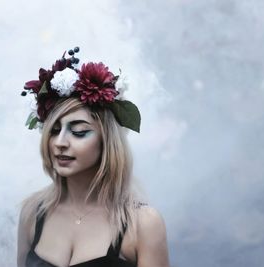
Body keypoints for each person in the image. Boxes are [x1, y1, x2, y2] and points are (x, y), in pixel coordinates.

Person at [17, 47, 169, 267]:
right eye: (54, 130)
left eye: (78, 132)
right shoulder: (32, 213)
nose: (60, 142)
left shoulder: (143, 224)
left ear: (106, 141)